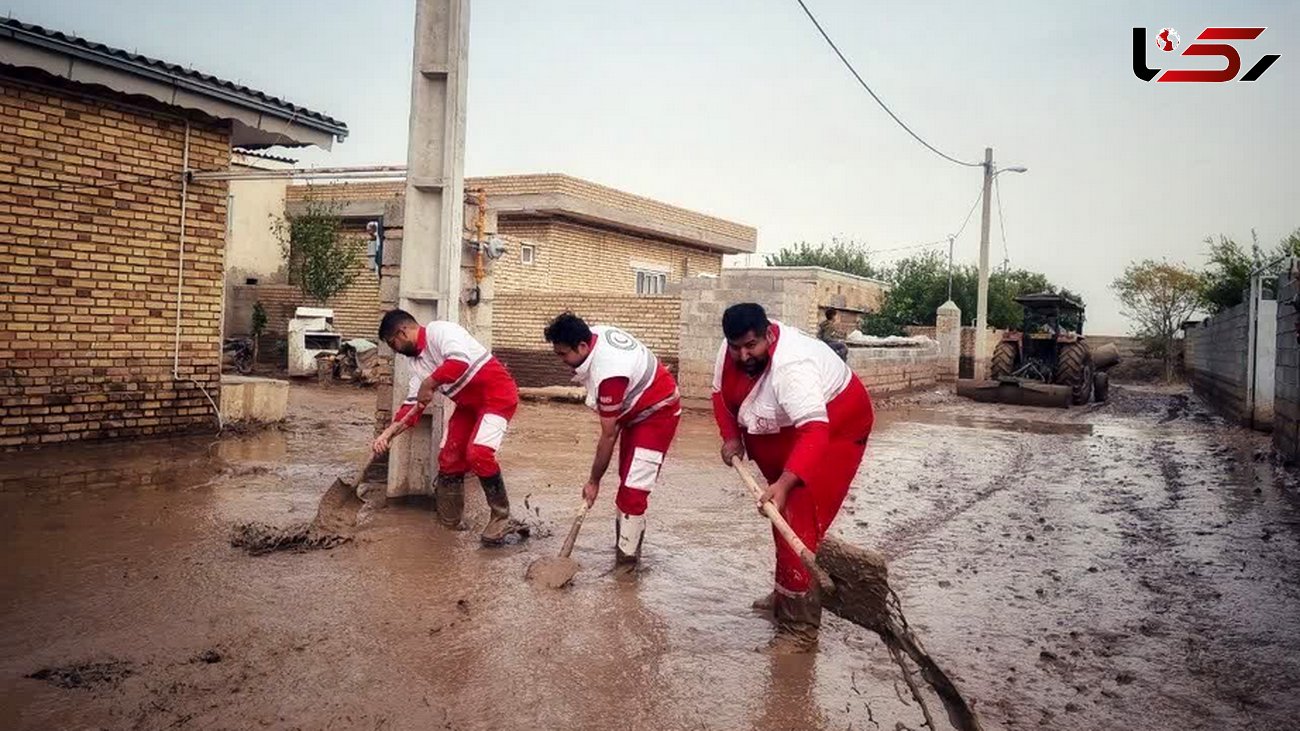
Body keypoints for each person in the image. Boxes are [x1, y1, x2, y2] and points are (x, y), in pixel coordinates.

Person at [711, 302, 874, 652]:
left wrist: (785, 483)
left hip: (838, 425)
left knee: (796, 516)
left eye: (751, 346)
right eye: (736, 346)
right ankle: (785, 592)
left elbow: (814, 431)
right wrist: (730, 437)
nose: (742, 355)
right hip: (788, 426)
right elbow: (720, 397)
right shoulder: (729, 350)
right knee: (779, 514)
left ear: (769, 334)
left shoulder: (792, 367)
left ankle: (799, 631)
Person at [373, 308, 526, 545]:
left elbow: (459, 362)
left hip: (497, 395)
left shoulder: (440, 330)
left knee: (479, 453)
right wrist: (388, 433)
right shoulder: (416, 363)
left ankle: (502, 517)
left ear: (402, 332)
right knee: (449, 457)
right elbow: (412, 408)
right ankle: (449, 524)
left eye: (393, 344)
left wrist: (429, 383)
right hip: (468, 405)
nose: (395, 351)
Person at [544, 312, 681, 569]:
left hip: (658, 413)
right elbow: (614, 426)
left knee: (633, 489)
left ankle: (626, 567)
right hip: (635, 408)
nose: (562, 361)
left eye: (564, 355)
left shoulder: (609, 375)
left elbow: (608, 434)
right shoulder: (593, 335)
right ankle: (625, 547)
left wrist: (593, 481)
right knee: (625, 478)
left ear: (582, 346)